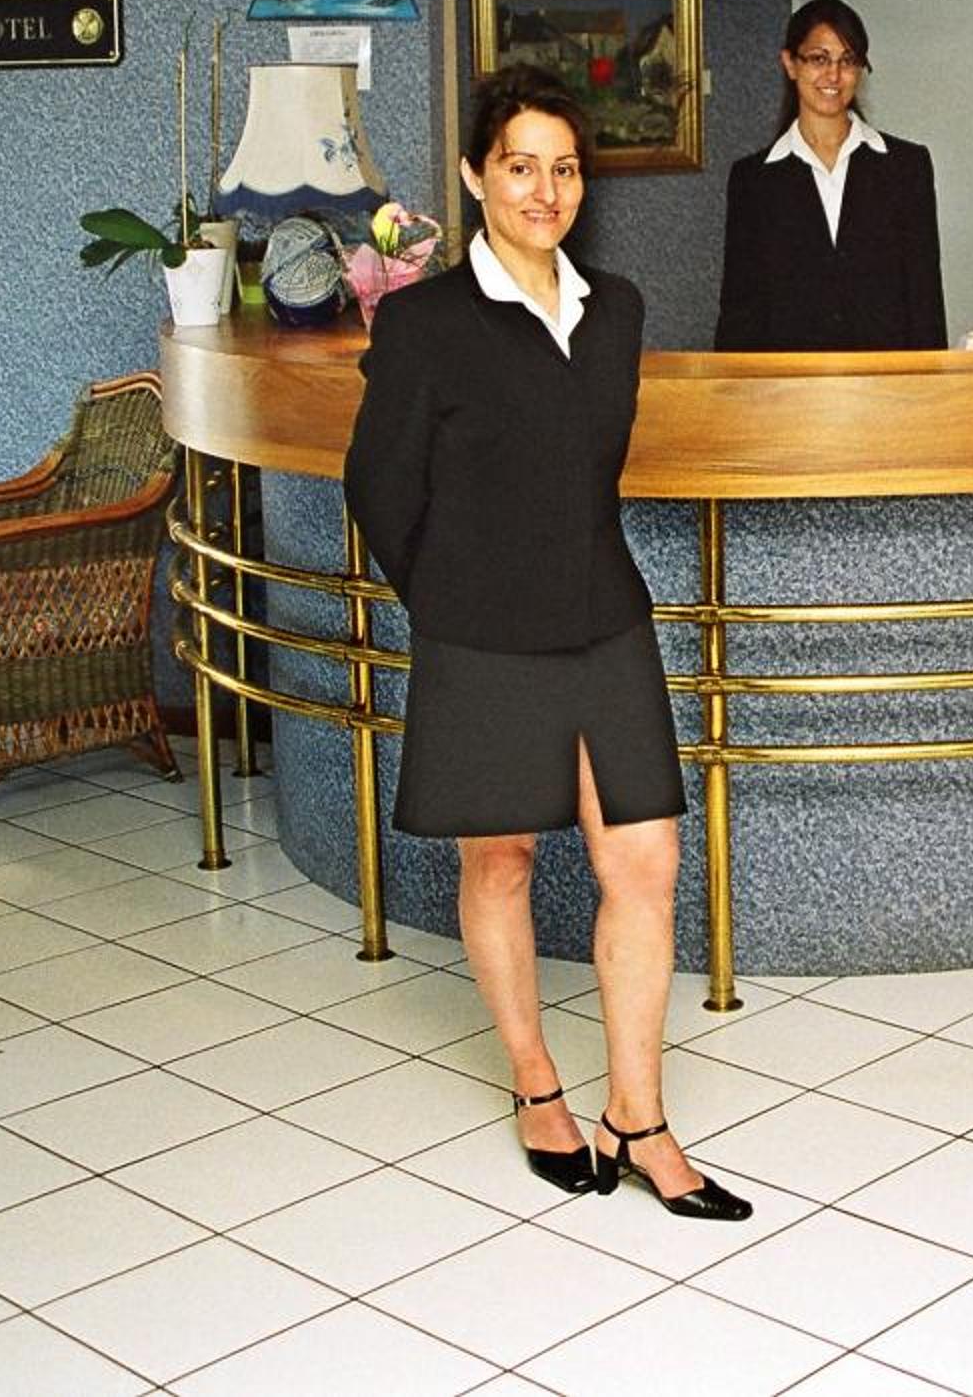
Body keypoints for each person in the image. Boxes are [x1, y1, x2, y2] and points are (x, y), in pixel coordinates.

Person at [344, 71, 751, 1220]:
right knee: (503, 860)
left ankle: (639, 1116)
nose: (545, 189)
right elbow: (379, 486)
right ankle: (535, 1083)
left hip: (605, 616)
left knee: (645, 862)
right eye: (520, 165)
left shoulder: (615, 309)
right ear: (475, 175)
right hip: (483, 629)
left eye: (564, 168)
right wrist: (450, 601)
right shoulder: (425, 323)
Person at [714, 0, 947, 351]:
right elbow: (740, 310)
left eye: (847, 60)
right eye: (819, 59)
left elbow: (925, 302)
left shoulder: (905, 167)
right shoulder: (753, 181)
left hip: (886, 378)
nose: (834, 75)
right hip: (789, 379)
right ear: (790, 64)